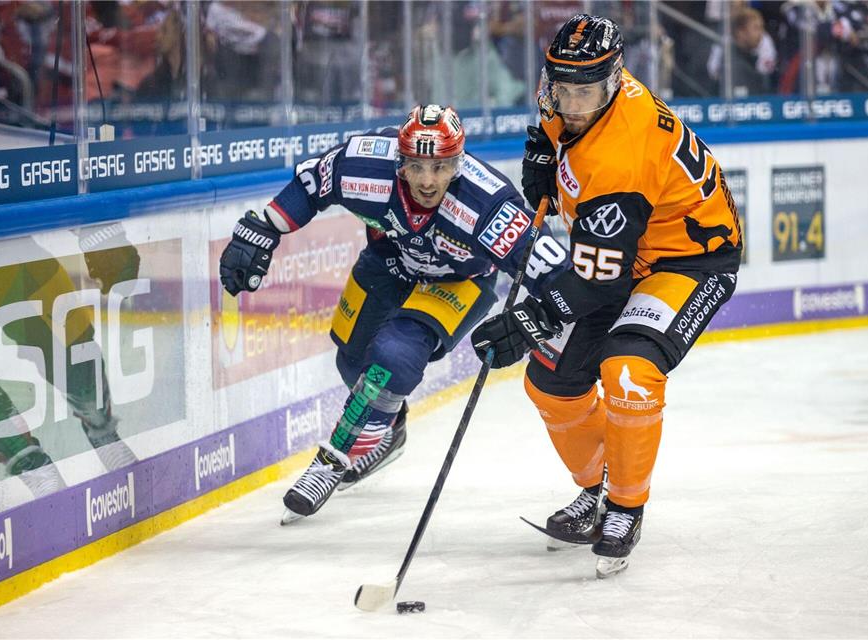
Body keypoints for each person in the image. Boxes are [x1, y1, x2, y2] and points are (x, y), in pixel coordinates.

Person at [471, 14, 742, 577]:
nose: (571, 101)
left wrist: (531, 319)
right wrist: (544, 152)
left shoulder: (623, 151)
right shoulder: (573, 96)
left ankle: (625, 505)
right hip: (626, 253)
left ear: (614, 79)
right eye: (562, 86)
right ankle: (596, 489)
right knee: (551, 382)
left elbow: (600, 280)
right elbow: (552, 125)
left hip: (688, 261)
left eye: (585, 90)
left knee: (628, 370)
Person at [218, 104, 569, 524]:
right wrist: (266, 226)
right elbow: (313, 182)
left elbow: (551, 269)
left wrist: (548, 315)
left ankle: (335, 459)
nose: (426, 180)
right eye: (416, 166)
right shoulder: (366, 163)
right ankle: (390, 426)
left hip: (459, 280)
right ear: (399, 160)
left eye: (439, 168)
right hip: (392, 257)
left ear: (457, 164)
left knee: (394, 355)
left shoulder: (487, 203)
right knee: (352, 358)